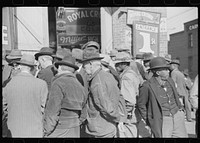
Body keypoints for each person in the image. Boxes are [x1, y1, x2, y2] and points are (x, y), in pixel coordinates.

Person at [137, 57, 188, 138]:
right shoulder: (146, 86)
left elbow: (175, 96)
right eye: (165, 69)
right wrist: (150, 120)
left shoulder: (170, 80)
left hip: (177, 115)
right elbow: (141, 105)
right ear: (158, 72)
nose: (168, 71)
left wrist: (180, 109)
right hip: (162, 119)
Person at [3, 54, 48, 137]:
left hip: (13, 129)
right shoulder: (41, 84)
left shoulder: (8, 83)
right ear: (33, 68)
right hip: (34, 130)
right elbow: (44, 108)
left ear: (20, 66)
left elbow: (4, 107)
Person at [43, 54, 87, 137]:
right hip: (75, 128)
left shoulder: (58, 83)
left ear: (59, 68)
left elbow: (53, 111)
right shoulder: (79, 85)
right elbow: (84, 110)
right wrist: (77, 122)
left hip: (60, 127)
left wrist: (46, 131)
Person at [82, 52, 120, 138]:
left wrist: (115, 117)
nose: (84, 68)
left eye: (84, 65)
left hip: (101, 127)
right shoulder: (108, 75)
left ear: (91, 64)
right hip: (108, 126)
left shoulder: (97, 81)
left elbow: (104, 105)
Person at [114, 52, 140, 137]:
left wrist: (124, 117)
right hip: (133, 114)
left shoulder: (126, 77)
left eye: (117, 64)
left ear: (123, 64)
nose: (116, 66)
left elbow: (129, 100)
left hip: (128, 116)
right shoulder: (133, 74)